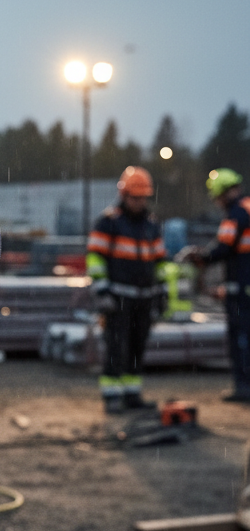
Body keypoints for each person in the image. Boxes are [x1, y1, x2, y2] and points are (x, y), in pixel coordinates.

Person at [86, 166, 167, 413]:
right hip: (118, 298)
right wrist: (102, 292)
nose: (139, 202)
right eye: (135, 197)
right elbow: (95, 258)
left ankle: (132, 395)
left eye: (143, 197)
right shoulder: (108, 222)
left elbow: (160, 262)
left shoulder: (151, 225)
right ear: (124, 195)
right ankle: (112, 395)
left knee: (137, 347)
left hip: (144, 298)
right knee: (116, 347)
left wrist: (162, 293)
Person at [192, 169, 250, 402]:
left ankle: (244, 386)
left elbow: (224, 247)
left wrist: (202, 257)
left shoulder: (236, 214)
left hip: (242, 289)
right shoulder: (247, 208)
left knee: (241, 338)